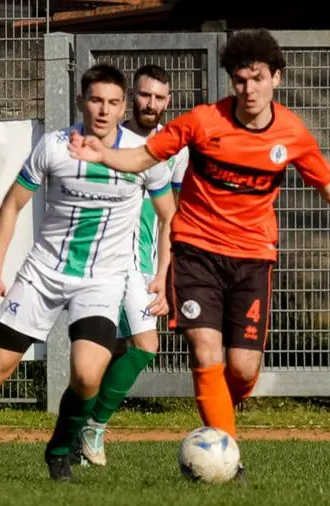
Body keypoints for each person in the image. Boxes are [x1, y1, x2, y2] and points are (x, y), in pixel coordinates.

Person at [68, 28, 330, 478]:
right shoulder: (203, 121)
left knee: (240, 369)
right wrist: (102, 154)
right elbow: (143, 158)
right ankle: (226, 460)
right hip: (196, 250)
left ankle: (220, 409)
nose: (248, 88)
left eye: (257, 78)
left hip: (253, 257)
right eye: (239, 79)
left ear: (275, 78)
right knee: (205, 352)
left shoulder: (291, 133)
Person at [0, 63, 177, 482]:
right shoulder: (54, 147)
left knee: (87, 375)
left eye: (112, 103)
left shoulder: (142, 158)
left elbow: (168, 217)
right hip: (43, 274)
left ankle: (60, 448)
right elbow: (11, 206)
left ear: (124, 108)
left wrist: (160, 274)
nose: (103, 110)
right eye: (95, 100)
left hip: (101, 281)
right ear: (81, 101)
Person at [77, 64, 190, 467]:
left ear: (168, 102)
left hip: (141, 266)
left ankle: (87, 426)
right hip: (101, 263)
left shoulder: (174, 150)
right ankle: (88, 427)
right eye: (145, 95)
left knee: (134, 348)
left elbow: (169, 218)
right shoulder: (108, 141)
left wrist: (163, 273)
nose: (151, 104)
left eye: (160, 98)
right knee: (124, 348)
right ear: (130, 100)